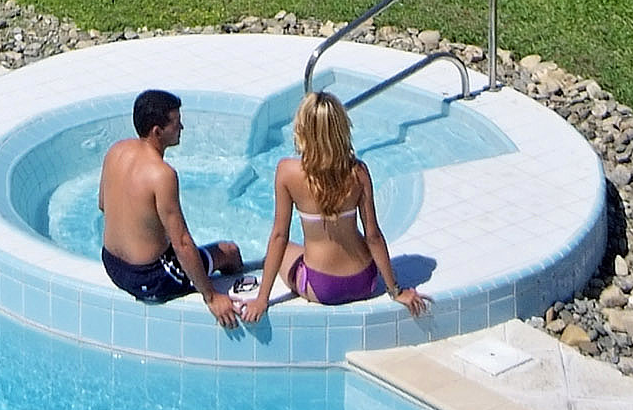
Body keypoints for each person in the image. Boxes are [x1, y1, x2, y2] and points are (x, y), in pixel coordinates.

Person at [254, 91, 430, 317]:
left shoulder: (287, 172)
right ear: (341, 128)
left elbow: (279, 236)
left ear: (302, 130)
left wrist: (261, 300)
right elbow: (373, 236)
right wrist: (395, 290)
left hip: (323, 286)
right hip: (364, 280)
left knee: (281, 251)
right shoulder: (358, 172)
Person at [98, 89, 247, 326]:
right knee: (229, 252)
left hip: (112, 264)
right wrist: (211, 297)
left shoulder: (115, 151)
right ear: (157, 131)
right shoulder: (162, 175)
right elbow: (182, 243)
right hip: (149, 278)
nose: (182, 128)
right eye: (176, 123)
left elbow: (103, 205)